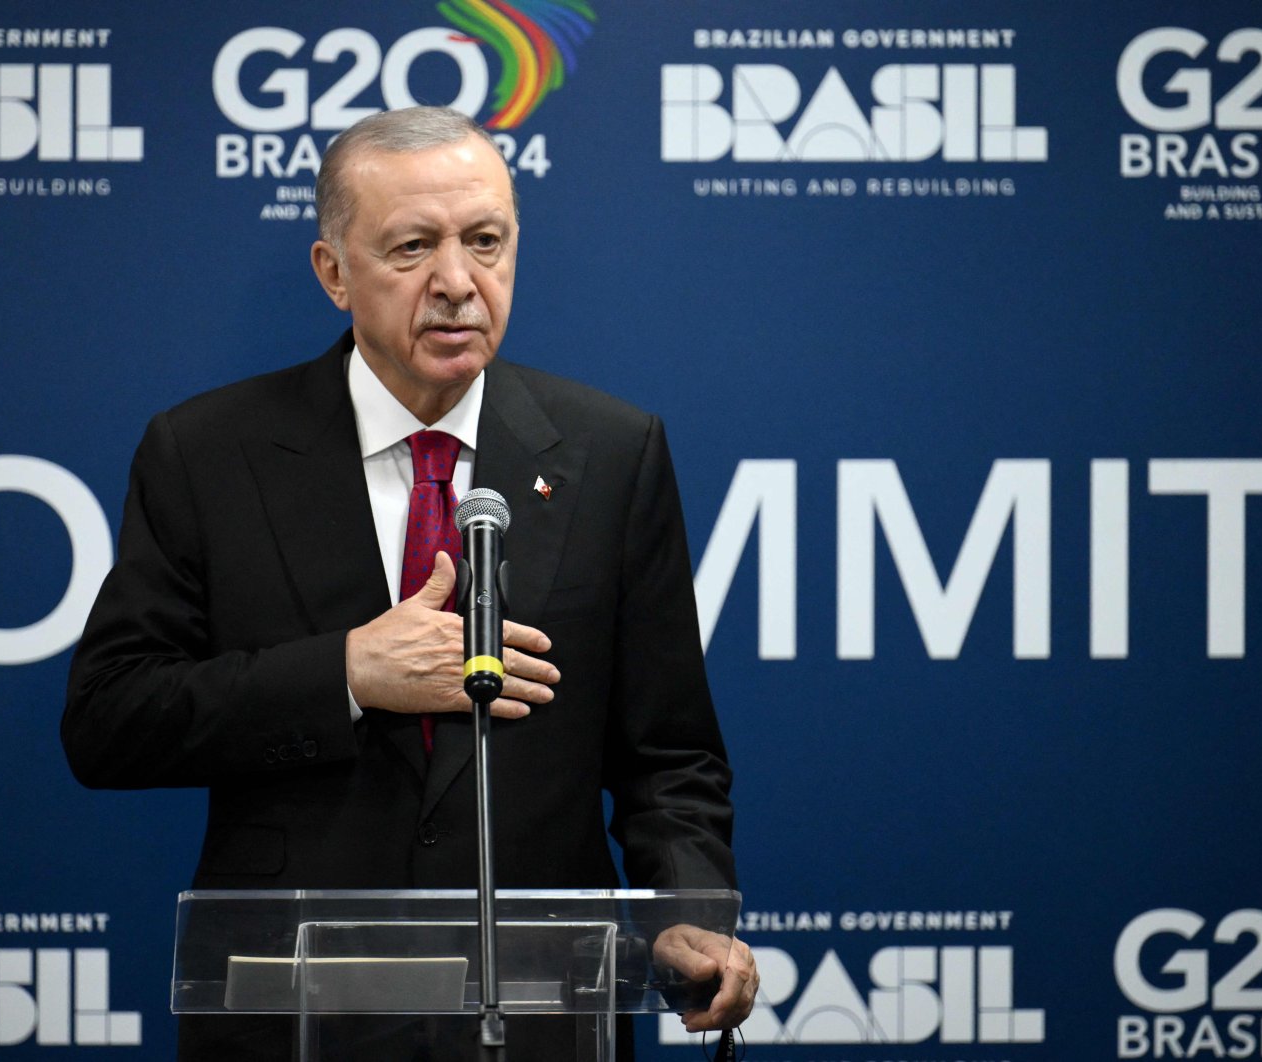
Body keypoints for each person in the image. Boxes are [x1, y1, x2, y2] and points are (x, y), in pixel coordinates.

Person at [63, 106, 755, 1059]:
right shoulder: (208, 452)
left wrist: (684, 910)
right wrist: (346, 674)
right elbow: (110, 719)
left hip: (540, 1016)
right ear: (333, 271)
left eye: (485, 242)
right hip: (298, 1011)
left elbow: (669, 752)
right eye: (412, 248)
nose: (458, 284)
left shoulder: (611, 451)